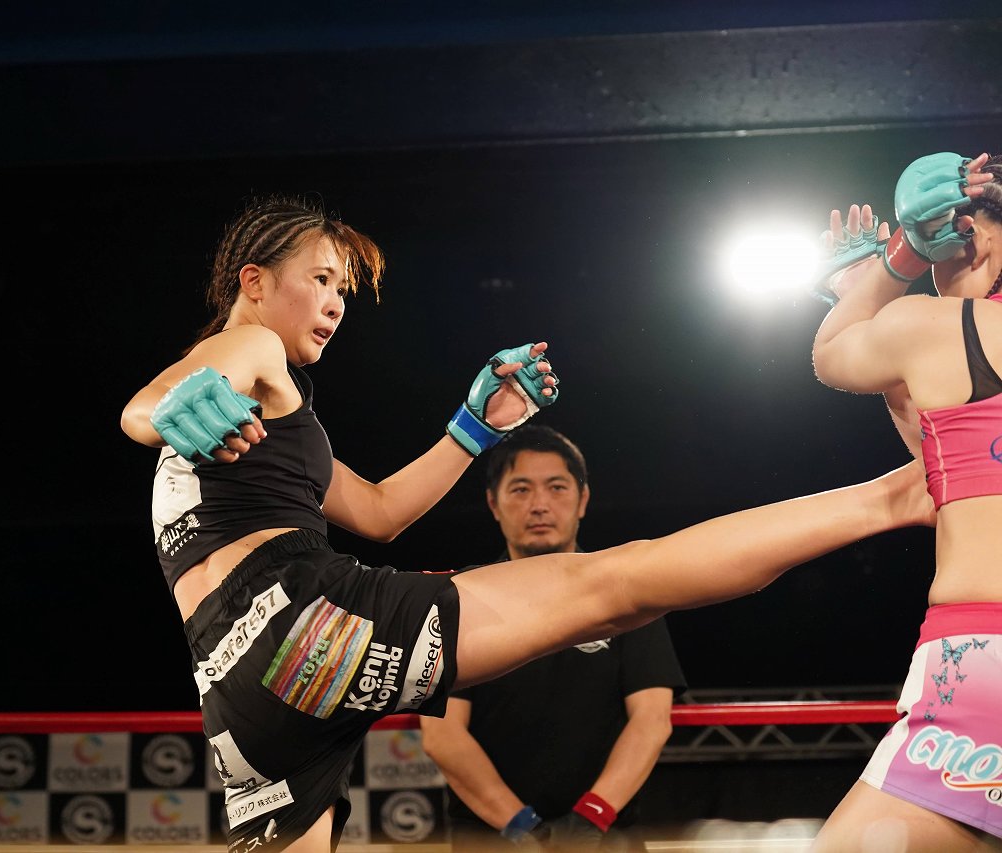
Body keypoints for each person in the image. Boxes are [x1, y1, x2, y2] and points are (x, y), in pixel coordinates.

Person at [120, 193, 934, 853]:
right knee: (618, 580)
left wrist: (474, 428)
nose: (335, 302)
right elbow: (149, 403)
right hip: (300, 620)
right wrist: (165, 410)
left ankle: (898, 494)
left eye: (343, 289)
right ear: (255, 281)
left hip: (237, 688)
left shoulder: (267, 419)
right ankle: (899, 494)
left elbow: (378, 512)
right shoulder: (249, 349)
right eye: (321, 277)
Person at [804, 151, 1002, 852]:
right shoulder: (945, 343)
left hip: (983, 659)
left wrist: (895, 264)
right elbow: (946, 462)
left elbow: (832, 354)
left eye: (952, 243)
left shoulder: (939, 327)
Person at [419, 424, 686, 852]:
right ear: (494, 504)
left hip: (605, 836)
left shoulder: (629, 594)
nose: (540, 505)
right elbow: (443, 735)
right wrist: (522, 827)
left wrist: (591, 818)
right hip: (489, 838)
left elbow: (651, 719)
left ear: (583, 499)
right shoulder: (461, 597)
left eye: (557, 487)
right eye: (521, 489)